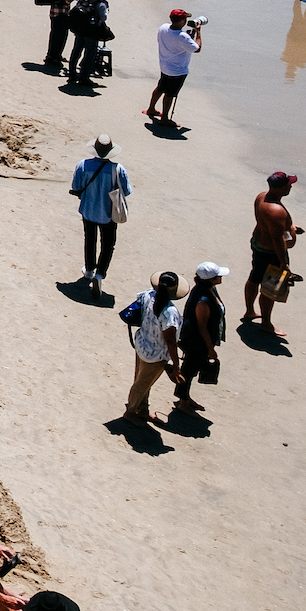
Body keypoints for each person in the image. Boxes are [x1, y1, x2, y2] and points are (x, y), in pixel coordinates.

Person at [120, 270, 183, 426]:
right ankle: (130, 412)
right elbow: (170, 342)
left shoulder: (148, 295)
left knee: (141, 380)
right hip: (156, 355)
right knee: (142, 385)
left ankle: (142, 410)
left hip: (142, 344)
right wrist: (176, 364)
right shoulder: (169, 312)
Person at [244, 171, 301, 337]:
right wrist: (284, 263)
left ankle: (250, 311)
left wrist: (290, 228)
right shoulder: (277, 211)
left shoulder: (261, 197)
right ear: (280, 188)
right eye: (288, 184)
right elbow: (278, 240)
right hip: (272, 252)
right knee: (270, 288)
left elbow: (270, 225)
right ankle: (266, 324)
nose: (291, 186)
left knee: (255, 277)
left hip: (258, 243)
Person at [70, 135, 129, 294]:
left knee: (90, 239)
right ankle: (100, 274)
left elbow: (76, 186)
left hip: (88, 210)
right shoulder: (118, 169)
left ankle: (89, 270)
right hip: (108, 213)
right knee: (108, 244)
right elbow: (126, 191)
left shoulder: (82, 165)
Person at [172, 260, 227, 416]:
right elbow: (202, 326)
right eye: (218, 275)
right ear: (210, 279)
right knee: (188, 371)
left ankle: (185, 397)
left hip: (200, 340)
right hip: (196, 341)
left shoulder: (209, 289)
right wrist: (210, 348)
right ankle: (183, 402)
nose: (221, 277)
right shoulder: (203, 300)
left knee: (192, 368)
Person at [148, 9, 200, 124]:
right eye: (185, 19)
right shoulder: (182, 37)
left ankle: (151, 108)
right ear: (182, 21)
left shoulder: (163, 28)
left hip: (164, 66)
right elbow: (197, 48)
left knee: (160, 88)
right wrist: (198, 32)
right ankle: (165, 118)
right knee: (170, 94)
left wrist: (188, 37)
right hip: (178, 71)